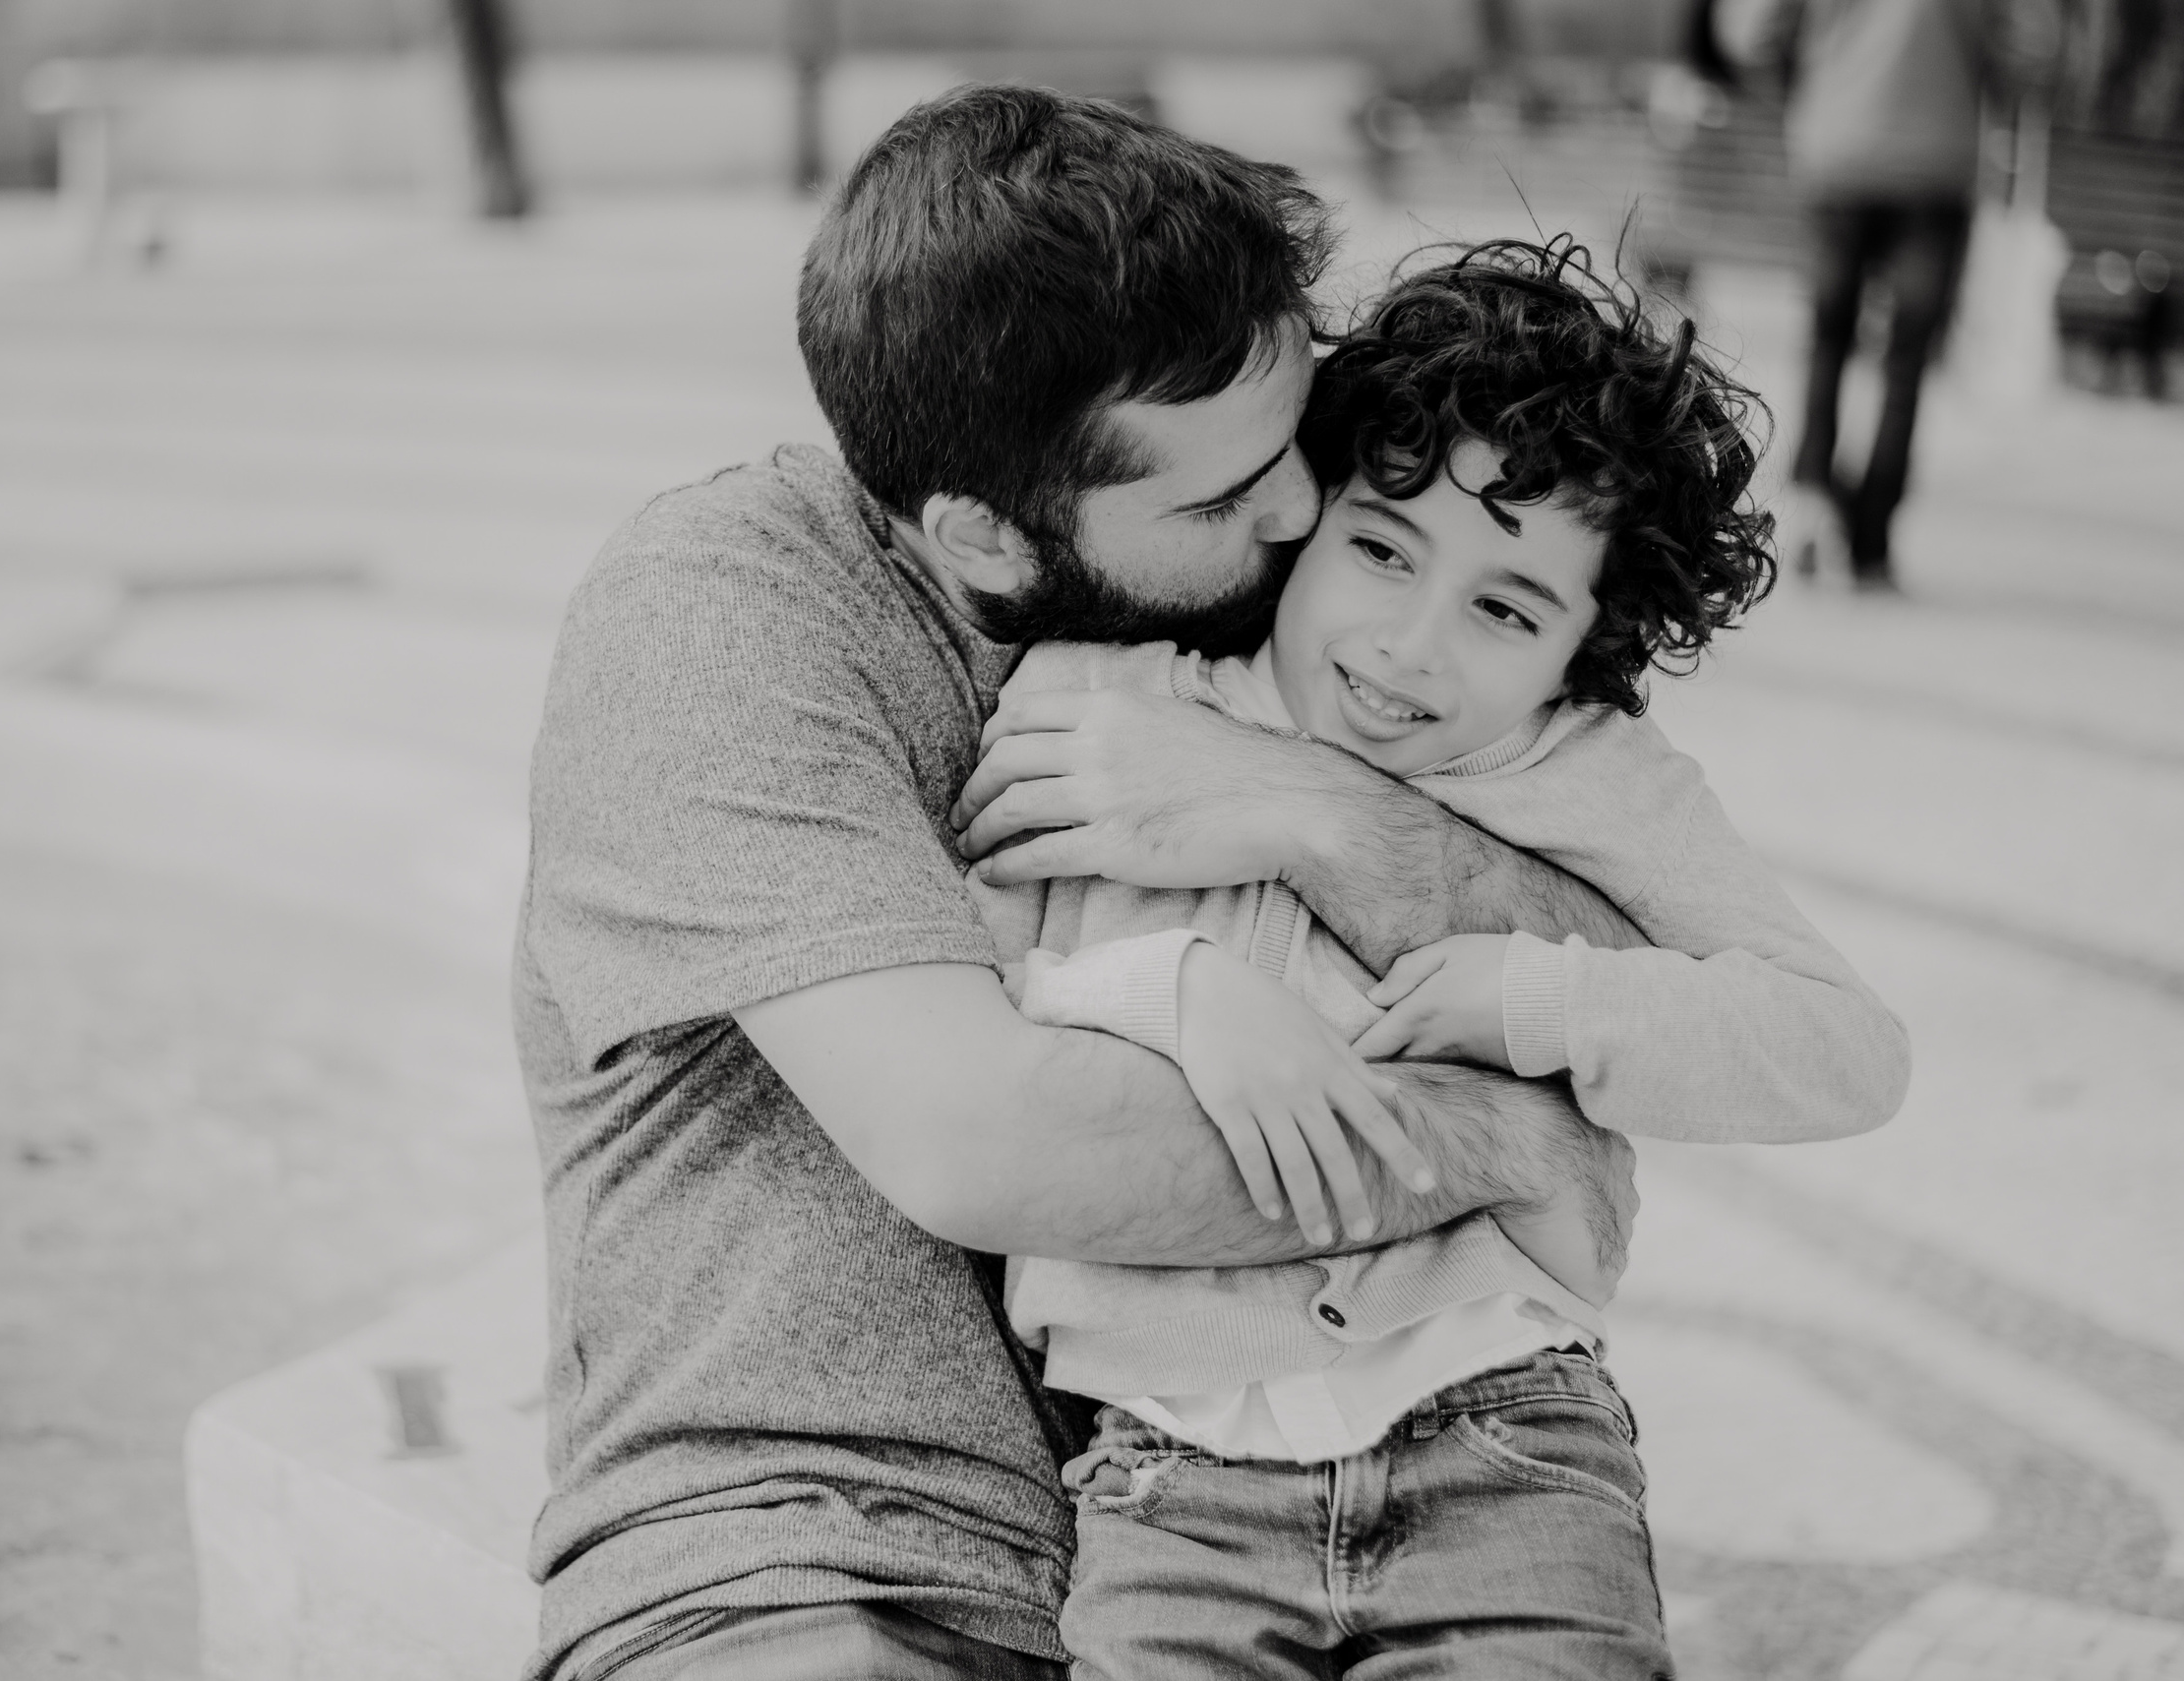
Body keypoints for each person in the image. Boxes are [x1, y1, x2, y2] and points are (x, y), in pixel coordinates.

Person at [514, 88, 1648, 1681]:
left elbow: (1630, 987)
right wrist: (1503, 1135)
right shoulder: (722, 609)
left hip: (1218, 1524)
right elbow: (989, 1137)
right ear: (984, 530)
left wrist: (1309, 808)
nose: (1303, 509)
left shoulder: (1275, 600)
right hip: (800, 1548)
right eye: (1215, 494)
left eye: (1290, 437)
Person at [963, 238, 1912, 1678]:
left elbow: (1845, 1050)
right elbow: (963, 999)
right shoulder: (1100, 702)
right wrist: (1175, 993)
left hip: (1504, 1434)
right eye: (1382, 548)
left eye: (1506, 608)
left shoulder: (1592, 775)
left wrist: (1541, 994)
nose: (1409, 646)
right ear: (1311, 508)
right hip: (1168, 1484)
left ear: (1591, 642)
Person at [1759, 0, 2058, 588]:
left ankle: (1814, 502)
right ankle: (1872, 542)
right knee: (1907, 362)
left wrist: (1808, 80)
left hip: (1835, 150)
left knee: (1827, 342)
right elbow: (2034, 46)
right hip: (1935, 163)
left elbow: (1754, 30)